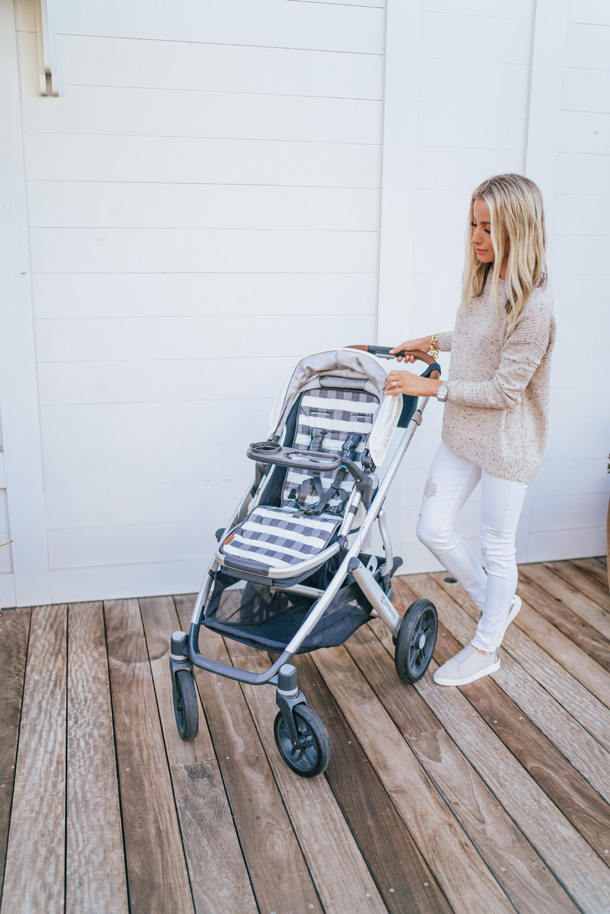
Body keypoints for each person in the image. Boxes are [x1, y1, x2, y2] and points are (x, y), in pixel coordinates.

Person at [385, 173, 556, 686]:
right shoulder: (483, 279)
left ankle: (486, 647)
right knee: (431, 526)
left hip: (508, 441)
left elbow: (506, 390)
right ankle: (494, 602)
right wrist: (434, 342)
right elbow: (477, 339)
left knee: (496, 546)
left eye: (488, 227)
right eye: (473, 224)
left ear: (518, 230)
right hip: (465, 430)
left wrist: (430, 388)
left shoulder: (535, 307)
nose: (476, 237)